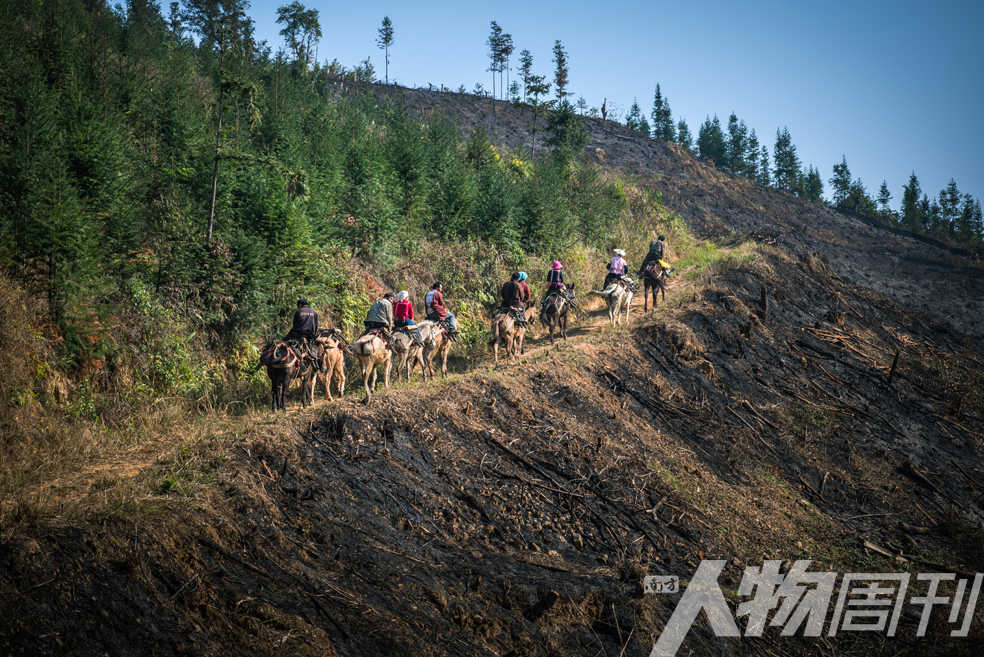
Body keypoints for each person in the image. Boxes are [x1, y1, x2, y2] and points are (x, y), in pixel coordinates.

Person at [284, 298, 321, 369]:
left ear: (300, 305)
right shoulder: (315, 312)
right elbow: (316, 326)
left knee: (284, 341)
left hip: (298, 335)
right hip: (310, 336)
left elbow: (295, 325)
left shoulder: (298, 311)